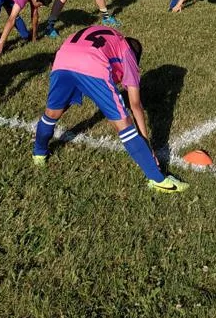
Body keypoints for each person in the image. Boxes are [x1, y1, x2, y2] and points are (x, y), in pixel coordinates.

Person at [32, 25, 188, 193]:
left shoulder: (111, 36)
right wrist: (146, 144)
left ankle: (39, 152)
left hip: (62, 57)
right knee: (123, 123)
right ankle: (158, 179)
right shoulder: (128, 53)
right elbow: (135, 105)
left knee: (52, 113)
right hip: (90, 63)